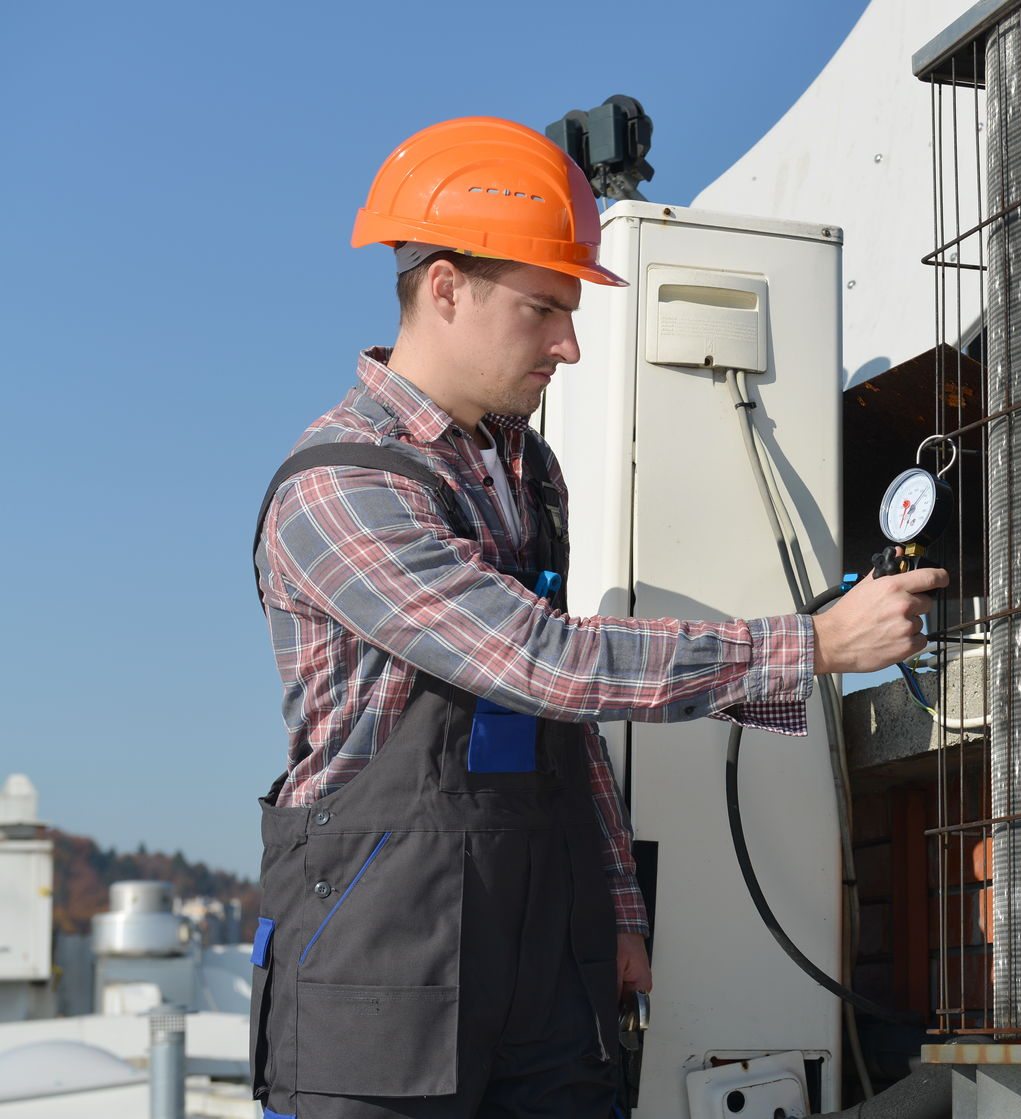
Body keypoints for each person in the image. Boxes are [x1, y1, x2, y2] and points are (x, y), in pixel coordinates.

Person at [248, 116, 945, 1119]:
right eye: (543, 310)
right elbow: (542, 662)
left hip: (544, 954)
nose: (569, 346)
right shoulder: (342, 486)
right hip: (379, 959)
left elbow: (559, 722)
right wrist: (813, 645)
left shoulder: (528, 470)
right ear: (444, 287)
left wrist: (616, 907)